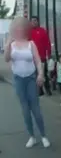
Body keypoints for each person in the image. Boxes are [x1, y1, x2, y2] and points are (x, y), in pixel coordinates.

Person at [4, 17, 50, 148]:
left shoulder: (31, 44)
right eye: (16, 28)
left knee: (35, 109)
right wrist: (7, 43)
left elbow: (37, 60)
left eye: (21, 28)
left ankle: (43, 136)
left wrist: (40, 74)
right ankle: (32, 136)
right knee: (25, 110)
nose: (19, 30)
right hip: (18, 79)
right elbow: (7, 59)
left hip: (31, 78)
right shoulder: (12, 45)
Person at [29, 16, 52, 96]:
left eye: (35, 21)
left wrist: (48, 53)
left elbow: (47, 43)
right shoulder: (29, 32)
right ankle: (40, 90)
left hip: (41, 57)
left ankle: (48, 89)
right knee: (35, 74)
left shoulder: (42, 31)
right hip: (32, 58)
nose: (34, 22)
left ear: (38, 22)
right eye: (32, 21)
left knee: (44, 74)